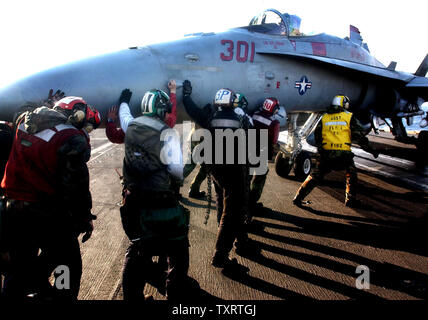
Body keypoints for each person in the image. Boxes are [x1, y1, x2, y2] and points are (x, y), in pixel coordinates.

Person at [0, 96, 98, 300]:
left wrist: (46, 104)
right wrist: (84, 217)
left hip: (12, 211)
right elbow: (76, 188)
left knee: (17, 267)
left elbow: (21, 106)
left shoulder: (26, 121)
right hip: (46, 215)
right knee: (66, 264)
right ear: (76, 115)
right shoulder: (69, 137)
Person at [118, 87, 190, 300]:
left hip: (133, 201)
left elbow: (124, 114)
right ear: (161, 110)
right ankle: (174, 295)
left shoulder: (130, 125)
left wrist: (124, 99)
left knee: (137, 250)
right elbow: (177, 170)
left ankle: (132, 298)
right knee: (178, 249)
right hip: (160, 200)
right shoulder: (167, 134)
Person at [182, 80, 252, 268]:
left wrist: (186, 95)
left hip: (215, 169)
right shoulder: (239, 118)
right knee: (233, 212)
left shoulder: (209, 115)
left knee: (222, 203)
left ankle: (230, 240)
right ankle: (220, 255)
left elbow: (193, 111)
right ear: (231, 102)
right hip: (234, 169)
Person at [293, 95, 379, 207]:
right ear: (343, 104)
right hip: (343, 155)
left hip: (327, 155)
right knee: (351, 174)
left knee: (315, 176)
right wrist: (371, 150)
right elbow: (359, 137)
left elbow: (317, 136)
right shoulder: (349, 117)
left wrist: (322, 150)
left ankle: (298, 198)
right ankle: (350, 199)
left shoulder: (325, 118)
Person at [106, 80, 177, 144]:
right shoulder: (168, 124)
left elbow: (115, 135)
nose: (169, 112)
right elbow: (172, 110)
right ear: (161, 113)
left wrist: (110, 120)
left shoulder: (134, 128)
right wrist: (173, 92)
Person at [248, 97, 280, 216]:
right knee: (259, 178)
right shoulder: (274, 122)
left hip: (249, 150)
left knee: (247, 177)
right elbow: (274, 140)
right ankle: (251, 204)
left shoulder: (254, 114)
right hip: (262, 152)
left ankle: (243, 202)